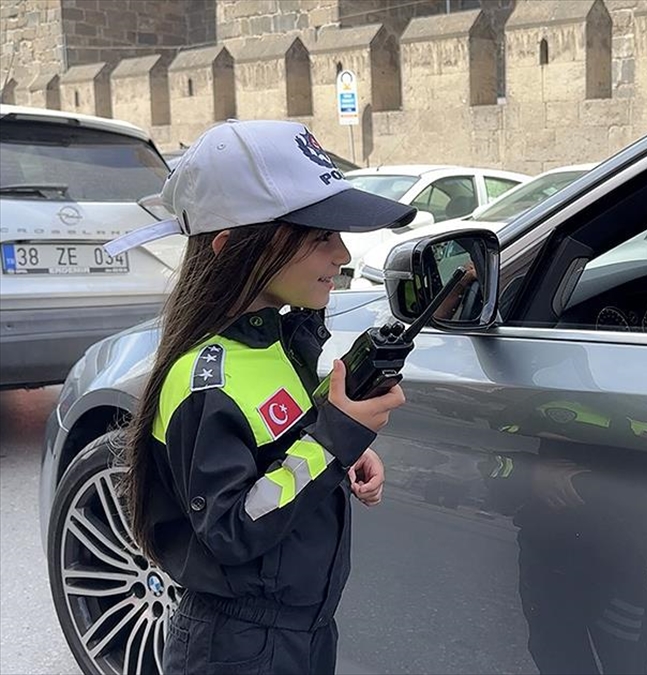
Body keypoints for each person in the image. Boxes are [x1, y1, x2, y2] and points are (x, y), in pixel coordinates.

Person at [106, 119, 415, 674]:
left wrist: (335, 439)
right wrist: (332, 439)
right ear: (232, 248)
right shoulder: (203, 379)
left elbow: (273, 448)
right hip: (238, 647)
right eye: (320, 236)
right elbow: (230, 526)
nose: (342, 253)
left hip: (304, 630)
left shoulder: (270, 340)